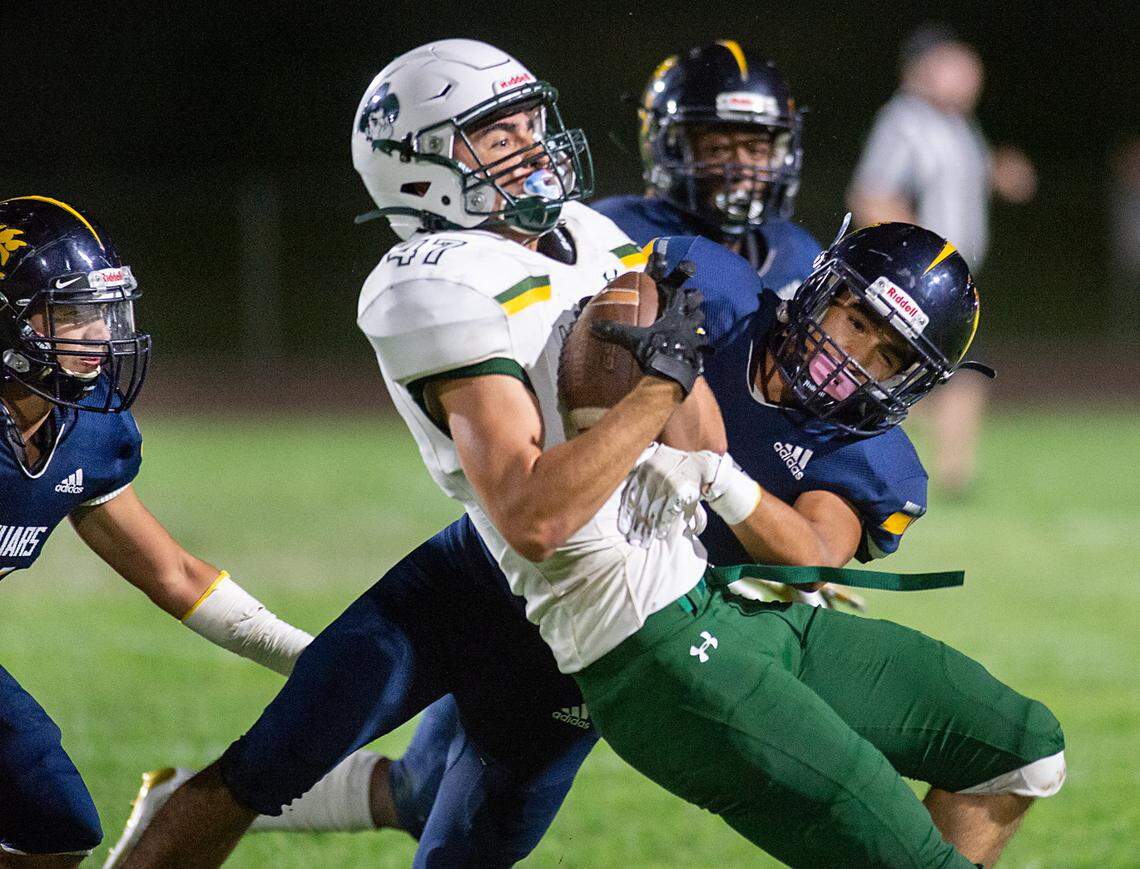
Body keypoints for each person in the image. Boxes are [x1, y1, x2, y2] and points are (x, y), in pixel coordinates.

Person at [115, 40, 1063, 869]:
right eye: (497, 134)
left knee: (464, 831)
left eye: (530, 123)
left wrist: (707, 459)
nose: (530, 147)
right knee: (286, 757)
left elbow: (735, 475)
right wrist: (661, 397)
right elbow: (539, 507)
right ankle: (184, 807)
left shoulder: (603, 237)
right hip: (509, 564)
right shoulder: (447, 278)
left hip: (654, 590)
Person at [0, 196, 316, 866]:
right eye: (68, 312)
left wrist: (318, 662)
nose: (95, 332)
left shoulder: (85, 426)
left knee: (52, 825)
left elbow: (174, 574)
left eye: (101, 309)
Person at [847, 24, 1036, 495]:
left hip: (953, 277)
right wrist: (918, 256)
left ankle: (953, 476)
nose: (971, 75)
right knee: (917, 373)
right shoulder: (904, 121)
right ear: (922, 70)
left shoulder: (956, 124)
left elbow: (951, 175)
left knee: (963, 371)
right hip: (920, 278)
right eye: (957, 64)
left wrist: (997, 171)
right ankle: (912, 469)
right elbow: (871, 194)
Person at [594, 40, 820, 299]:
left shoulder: (797, 252)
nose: (742, 168)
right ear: (669, 149)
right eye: (717, 149)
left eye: (756, 150)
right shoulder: (612, 233)